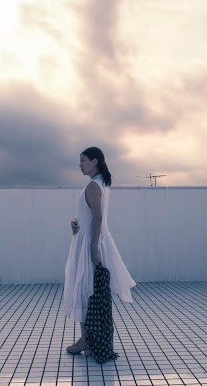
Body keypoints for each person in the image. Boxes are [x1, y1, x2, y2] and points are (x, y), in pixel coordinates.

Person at [63, 147, 136, 359]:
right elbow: (91, 215)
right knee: (89, 290)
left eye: (83, 160)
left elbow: (98, 217)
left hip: (89, 242)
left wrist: (93, 247)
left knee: (83, 289)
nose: (79, 164)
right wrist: (75, 220)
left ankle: (86, 339)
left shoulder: (94, 186)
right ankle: (89, 340)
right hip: (93, 239)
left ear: (94, 161)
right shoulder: (101, 184)